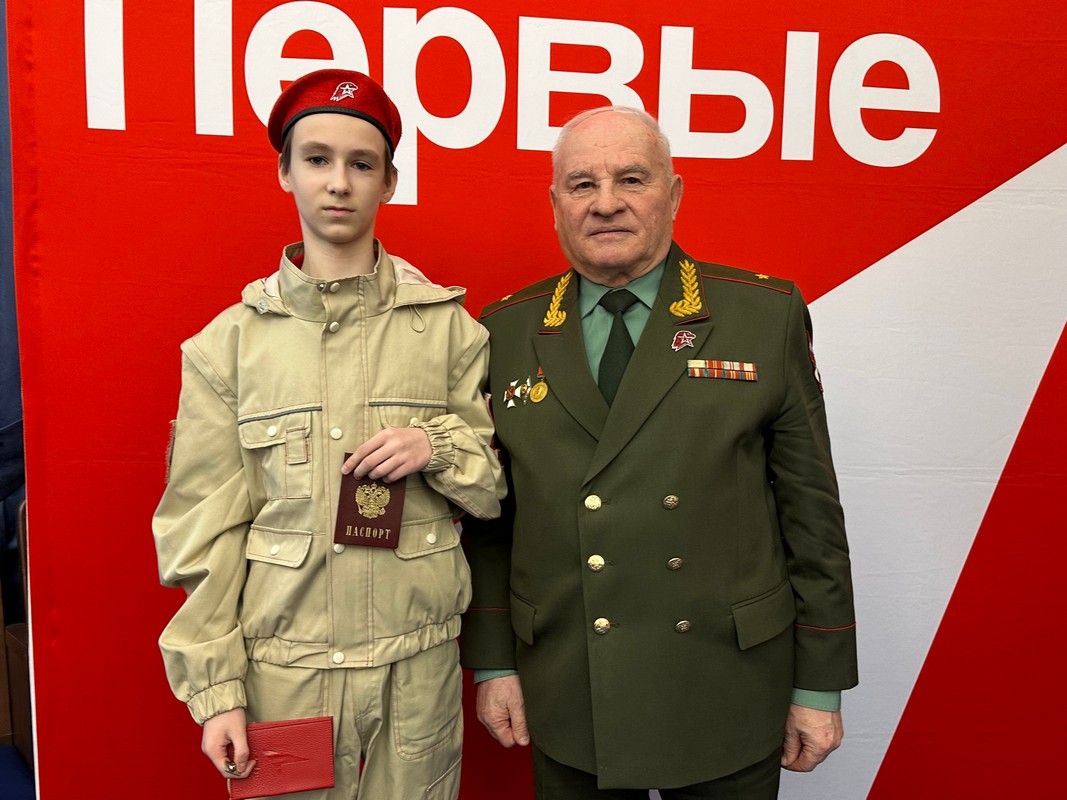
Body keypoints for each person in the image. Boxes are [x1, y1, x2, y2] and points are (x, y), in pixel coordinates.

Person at [459, 106, 858, 799]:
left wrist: (818, 684)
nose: (605, 202)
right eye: (582, 184)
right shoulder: (505, 329)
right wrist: (493, 663)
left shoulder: (761, 316)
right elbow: (494, 521)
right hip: (569, 680)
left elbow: (812, 517)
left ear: (672, 195)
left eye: (631, 179)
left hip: (723, 681)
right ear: (555, 205)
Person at [153, 69, 505, 799]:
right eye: (317, 159)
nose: (338, 182)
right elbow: (201, 533)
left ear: (389, 181)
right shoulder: (227, 349)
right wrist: (216, 689)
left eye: (361, 163)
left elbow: (492, 487)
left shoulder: (450, 330)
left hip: (417, 676)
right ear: (285, 172)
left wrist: (435, 446)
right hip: (285, 678)